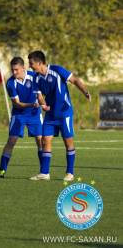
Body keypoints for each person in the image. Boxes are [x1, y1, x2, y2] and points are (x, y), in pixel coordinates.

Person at [28, 51, 91, 181]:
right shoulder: (35, 78)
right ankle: (45, 173)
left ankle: (70, 173)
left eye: (31, 63)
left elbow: (75, 80)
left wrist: (85, 92)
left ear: (40, 63)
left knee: (68, 142)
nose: (30, 66)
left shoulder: (57, 70)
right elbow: (39, 96)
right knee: (45, 140)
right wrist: (43, 105)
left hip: (64, 113)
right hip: (50, 115)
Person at [0, 57, 48, 178]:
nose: (14, 72)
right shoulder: (10, 83)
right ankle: (2, 170)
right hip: (19, 114)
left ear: (23, 68)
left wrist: (43, 103)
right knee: (11, 141)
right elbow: (17, 103)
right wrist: (32, 104)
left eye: (16, 70)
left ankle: (43, 172)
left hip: (35, 114)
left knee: (40, 141)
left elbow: (44, 91)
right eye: (12, 70)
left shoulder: (34, 76)